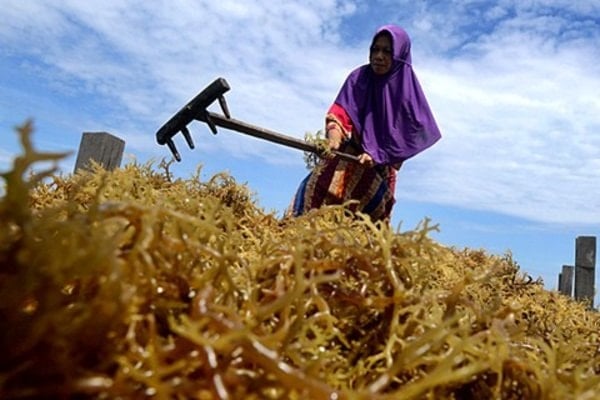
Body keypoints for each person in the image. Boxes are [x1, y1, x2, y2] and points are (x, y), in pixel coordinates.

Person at [288, 24, 441, 222]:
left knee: (366, 228)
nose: (379, 56)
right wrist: (332, 140)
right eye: (375, 49)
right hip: (348, 156)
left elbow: (413, 135)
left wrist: (379, 154)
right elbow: (340, 112)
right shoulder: (358, 78)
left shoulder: (407, 93)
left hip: (378, 172)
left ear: (399, 55)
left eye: (387, 51)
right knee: (313, 198)